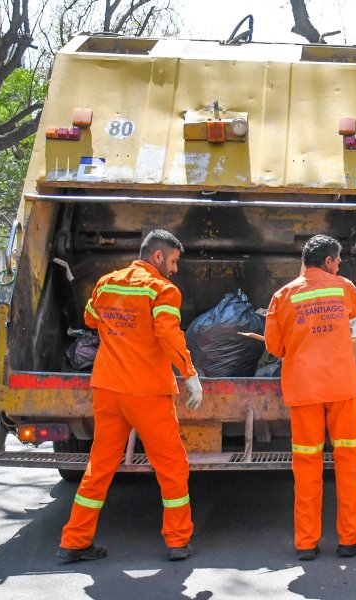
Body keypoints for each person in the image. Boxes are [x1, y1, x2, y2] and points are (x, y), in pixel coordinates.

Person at [57, 229, 203, 563]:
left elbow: (90, 319)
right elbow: (168, 335)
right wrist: (190, 375)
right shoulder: (162, 290)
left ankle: (75, 539)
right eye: (174, 261)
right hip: (147, 392)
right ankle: (178, 540)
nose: (175, 269)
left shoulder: (106, 283)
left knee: (99, 467)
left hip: (108, 389)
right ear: (157, 256)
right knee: (171, 466)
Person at [265, 234, 356, 561]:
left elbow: (273, 347)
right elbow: (354, 316)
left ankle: (306, 543)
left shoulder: (282, 296)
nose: (339, 266)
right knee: (349, 464)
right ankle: (350, 539)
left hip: (304, 390)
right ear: (327, 261)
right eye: (337, 261)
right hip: (341, 389)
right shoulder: (344, 288)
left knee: (307, 466)